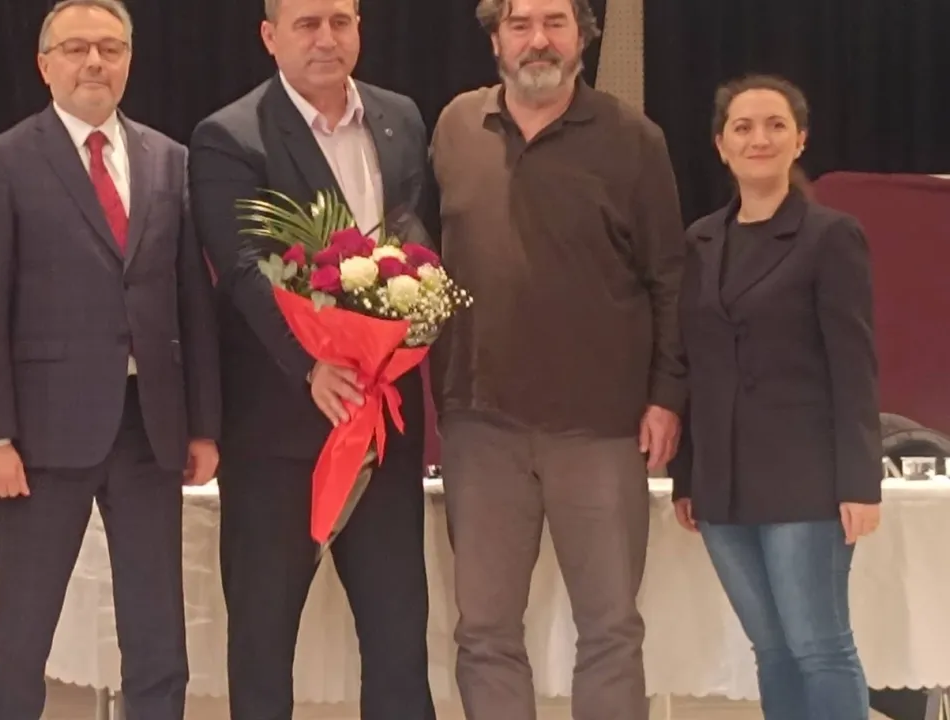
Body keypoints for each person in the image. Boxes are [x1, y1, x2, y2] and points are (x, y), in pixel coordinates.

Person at [423, 0, 688, 718]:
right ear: (495, 39)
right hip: (480, 428)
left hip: (602, 426)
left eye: (555, 22)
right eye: (520, 24)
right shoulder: (455, 126)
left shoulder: (634, 139)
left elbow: (669, 277)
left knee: (609, 630)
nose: (537, 39)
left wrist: (666, 394)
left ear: (582, 36)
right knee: (484, 632)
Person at [0, 0, 222, 718]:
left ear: (130, 59)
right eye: (76, 48)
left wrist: (203, 425)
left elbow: (192, 301)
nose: (95, 62)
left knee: (158, 637)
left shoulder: (169, 159)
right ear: (45, 65)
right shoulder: (3, 160)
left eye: (110, 47)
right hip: (41, 436)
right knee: (21, 638)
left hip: (150, 429)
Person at [187, 0, 435, 717]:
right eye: (306, 24)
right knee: (262, 646)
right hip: (278, 437)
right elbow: (243, 269)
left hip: (383, 428)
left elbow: (415, 239)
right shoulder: (230, 136)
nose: (326, 38)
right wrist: (311, 365)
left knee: (398, 643)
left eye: (340, 21)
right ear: (270, 37)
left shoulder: (399, 117)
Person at [669, 74, 881, 720]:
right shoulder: (701, 240)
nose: (758, 138)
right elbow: (694, 365)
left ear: (800, 140)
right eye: (743, 127)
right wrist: (687, 476)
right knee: (772, 650)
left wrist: (860, 481)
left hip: (805, 481)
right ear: (720, 145)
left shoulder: (830, 235)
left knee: (820, 647)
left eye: (775, 125)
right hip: (722, 485)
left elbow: (854, 366)